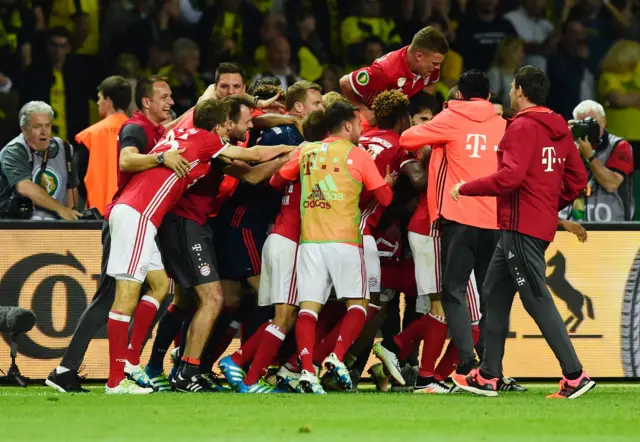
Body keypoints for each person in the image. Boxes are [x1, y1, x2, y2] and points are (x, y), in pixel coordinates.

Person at [103, 98, 293, 394]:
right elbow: (253, 158)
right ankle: (118, 378)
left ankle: (134, 362)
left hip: (148, 215)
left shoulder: (178, 134)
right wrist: (295, 150)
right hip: (144, 213)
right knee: (131, 295)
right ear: (221, 125)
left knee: (159, 288)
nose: (243, 128)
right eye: (237, 123)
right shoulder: (208, 141)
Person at [451, 65, 595, 399]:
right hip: (530, 225)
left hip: (520, 226)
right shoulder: (559, 128)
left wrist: (466, 187)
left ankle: (575, 376)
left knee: (536, 296)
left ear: (518, 90)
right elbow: (577, 179)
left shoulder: (521, 128)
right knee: (494, 292)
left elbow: (509, 179)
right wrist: (548, 203)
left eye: (513, 87)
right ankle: (488, 375)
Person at [45, 76, 188, 393]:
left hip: (132, 217)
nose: (171, 102)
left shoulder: (153, 130)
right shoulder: (135, 129)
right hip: (123, 218)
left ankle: (98, 366)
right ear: (146, 102)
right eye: (164, 96)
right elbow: (125, 159)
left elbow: (179, 125)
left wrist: (202, 103)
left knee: (156, 285)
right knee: (110, 296)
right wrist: (162, 157)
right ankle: (79, 370)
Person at [281, 101, 395, 394]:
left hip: (310, 241)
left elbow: (276, 180)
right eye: (358, 124)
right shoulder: (357, 155)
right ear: (347, 126)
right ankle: (337, 357)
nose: (360, 129)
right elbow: (384, 200)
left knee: (308, 308)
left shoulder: (306, 150)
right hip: (345, 240)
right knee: (358, 304)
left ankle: (306, 370)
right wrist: (385, 182)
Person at [399, 70, 505, 382]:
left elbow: (407, 139)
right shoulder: (502, 124)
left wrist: (443, 122)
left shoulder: (451, 119)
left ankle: (467, 362)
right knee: (490, 295)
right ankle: (489, 365)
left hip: (459, 218)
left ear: (460, 95)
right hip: (494, 220)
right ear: (487, 97)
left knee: (454, 290)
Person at [339, 26, 448, 124]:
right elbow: (345, 82)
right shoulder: (385, 71)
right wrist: (363, 110)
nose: (437, 68)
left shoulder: (431, 69)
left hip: (394, 119)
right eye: (435, 63)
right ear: (419, 56)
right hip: (369, 120)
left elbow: (430, 84)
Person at [0, 101, 81, 221]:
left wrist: (71, 217)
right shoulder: (14, 151)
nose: (44, 131)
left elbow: (71, 190)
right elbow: (24, 187)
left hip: (57, 227)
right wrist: (60, 209)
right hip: (17, 227)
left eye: (47, 125)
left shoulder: (65, 149)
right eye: (37, 126)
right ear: (24, 129)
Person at [564, 100, 635, 222]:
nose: (586, 128)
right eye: (580, 123)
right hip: (573, 225)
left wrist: (589, 156)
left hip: (611, 228)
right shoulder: (566, 147)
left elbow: (611, 184)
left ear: (603, 121)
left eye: (591, 122)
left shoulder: (619, 146)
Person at [74, 76, 132, 215]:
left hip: (98, 215)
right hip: (131, 213)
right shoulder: (141, 132)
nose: (98, 102)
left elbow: (77, 178)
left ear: (108, 100)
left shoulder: (88, 136)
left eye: (100, 97)